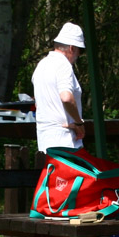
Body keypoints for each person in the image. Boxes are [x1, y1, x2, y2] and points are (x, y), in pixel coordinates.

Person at [31, 22, 86, 154]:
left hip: (45, 139)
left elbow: (38, 104)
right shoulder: (63, 65)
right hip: (65, 140)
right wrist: (79, 123)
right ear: (72, 48)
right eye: (79, 51)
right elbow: (66, 98)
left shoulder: (41, 65)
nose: (78, 56)